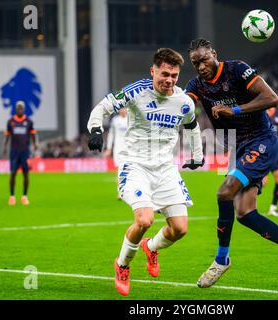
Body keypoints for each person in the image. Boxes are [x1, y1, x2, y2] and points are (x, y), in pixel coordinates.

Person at [185, 38, 278, 287]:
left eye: (204, 59)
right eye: (196, 63)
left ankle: (221, 260)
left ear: (214, 54)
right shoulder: (196, 84)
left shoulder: (237, 69)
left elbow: (271, 98)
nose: (201, 66)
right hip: (238, 147)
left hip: (262, 140)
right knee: (245, 214)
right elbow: (184, 105)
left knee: (224, 192)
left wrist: (235, 110)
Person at [87, 48, 204, 296]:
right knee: (144, 219)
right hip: (136, 165)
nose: (169, 80)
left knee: (181, 229)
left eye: (174, 75)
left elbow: (192, 124)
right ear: (153, 71)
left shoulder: (183, 100)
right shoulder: (136, 91)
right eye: (164, 74)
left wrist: (197, 154)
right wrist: (96, 130)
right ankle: (122, 265)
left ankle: (151, 247)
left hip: (165, 170)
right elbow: (102, 107)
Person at [2, 101, 37, 205]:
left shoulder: (29, 122)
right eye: (18, 107)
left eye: (21, 108)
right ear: (15, 109)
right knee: (13, 174)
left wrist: (35, 145)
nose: (19, 109)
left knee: (26, 174)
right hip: (14, 152)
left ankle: (24, 196)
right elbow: (7, 136)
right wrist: (4, 147)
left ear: (24, 109)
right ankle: (12, 196)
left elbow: (33, 135)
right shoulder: (10, 122)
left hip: (25, 152)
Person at [105, 108, 128, 200]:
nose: (123, 110)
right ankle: (120, 192)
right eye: (121, 109)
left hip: (129, 148)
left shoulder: (132, 118)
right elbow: (111, 134)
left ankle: (129, 191)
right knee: (119, 169)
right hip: (118, 148)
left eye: (125, 108)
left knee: (130, 170)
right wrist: (109, 148)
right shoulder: (115, 120)